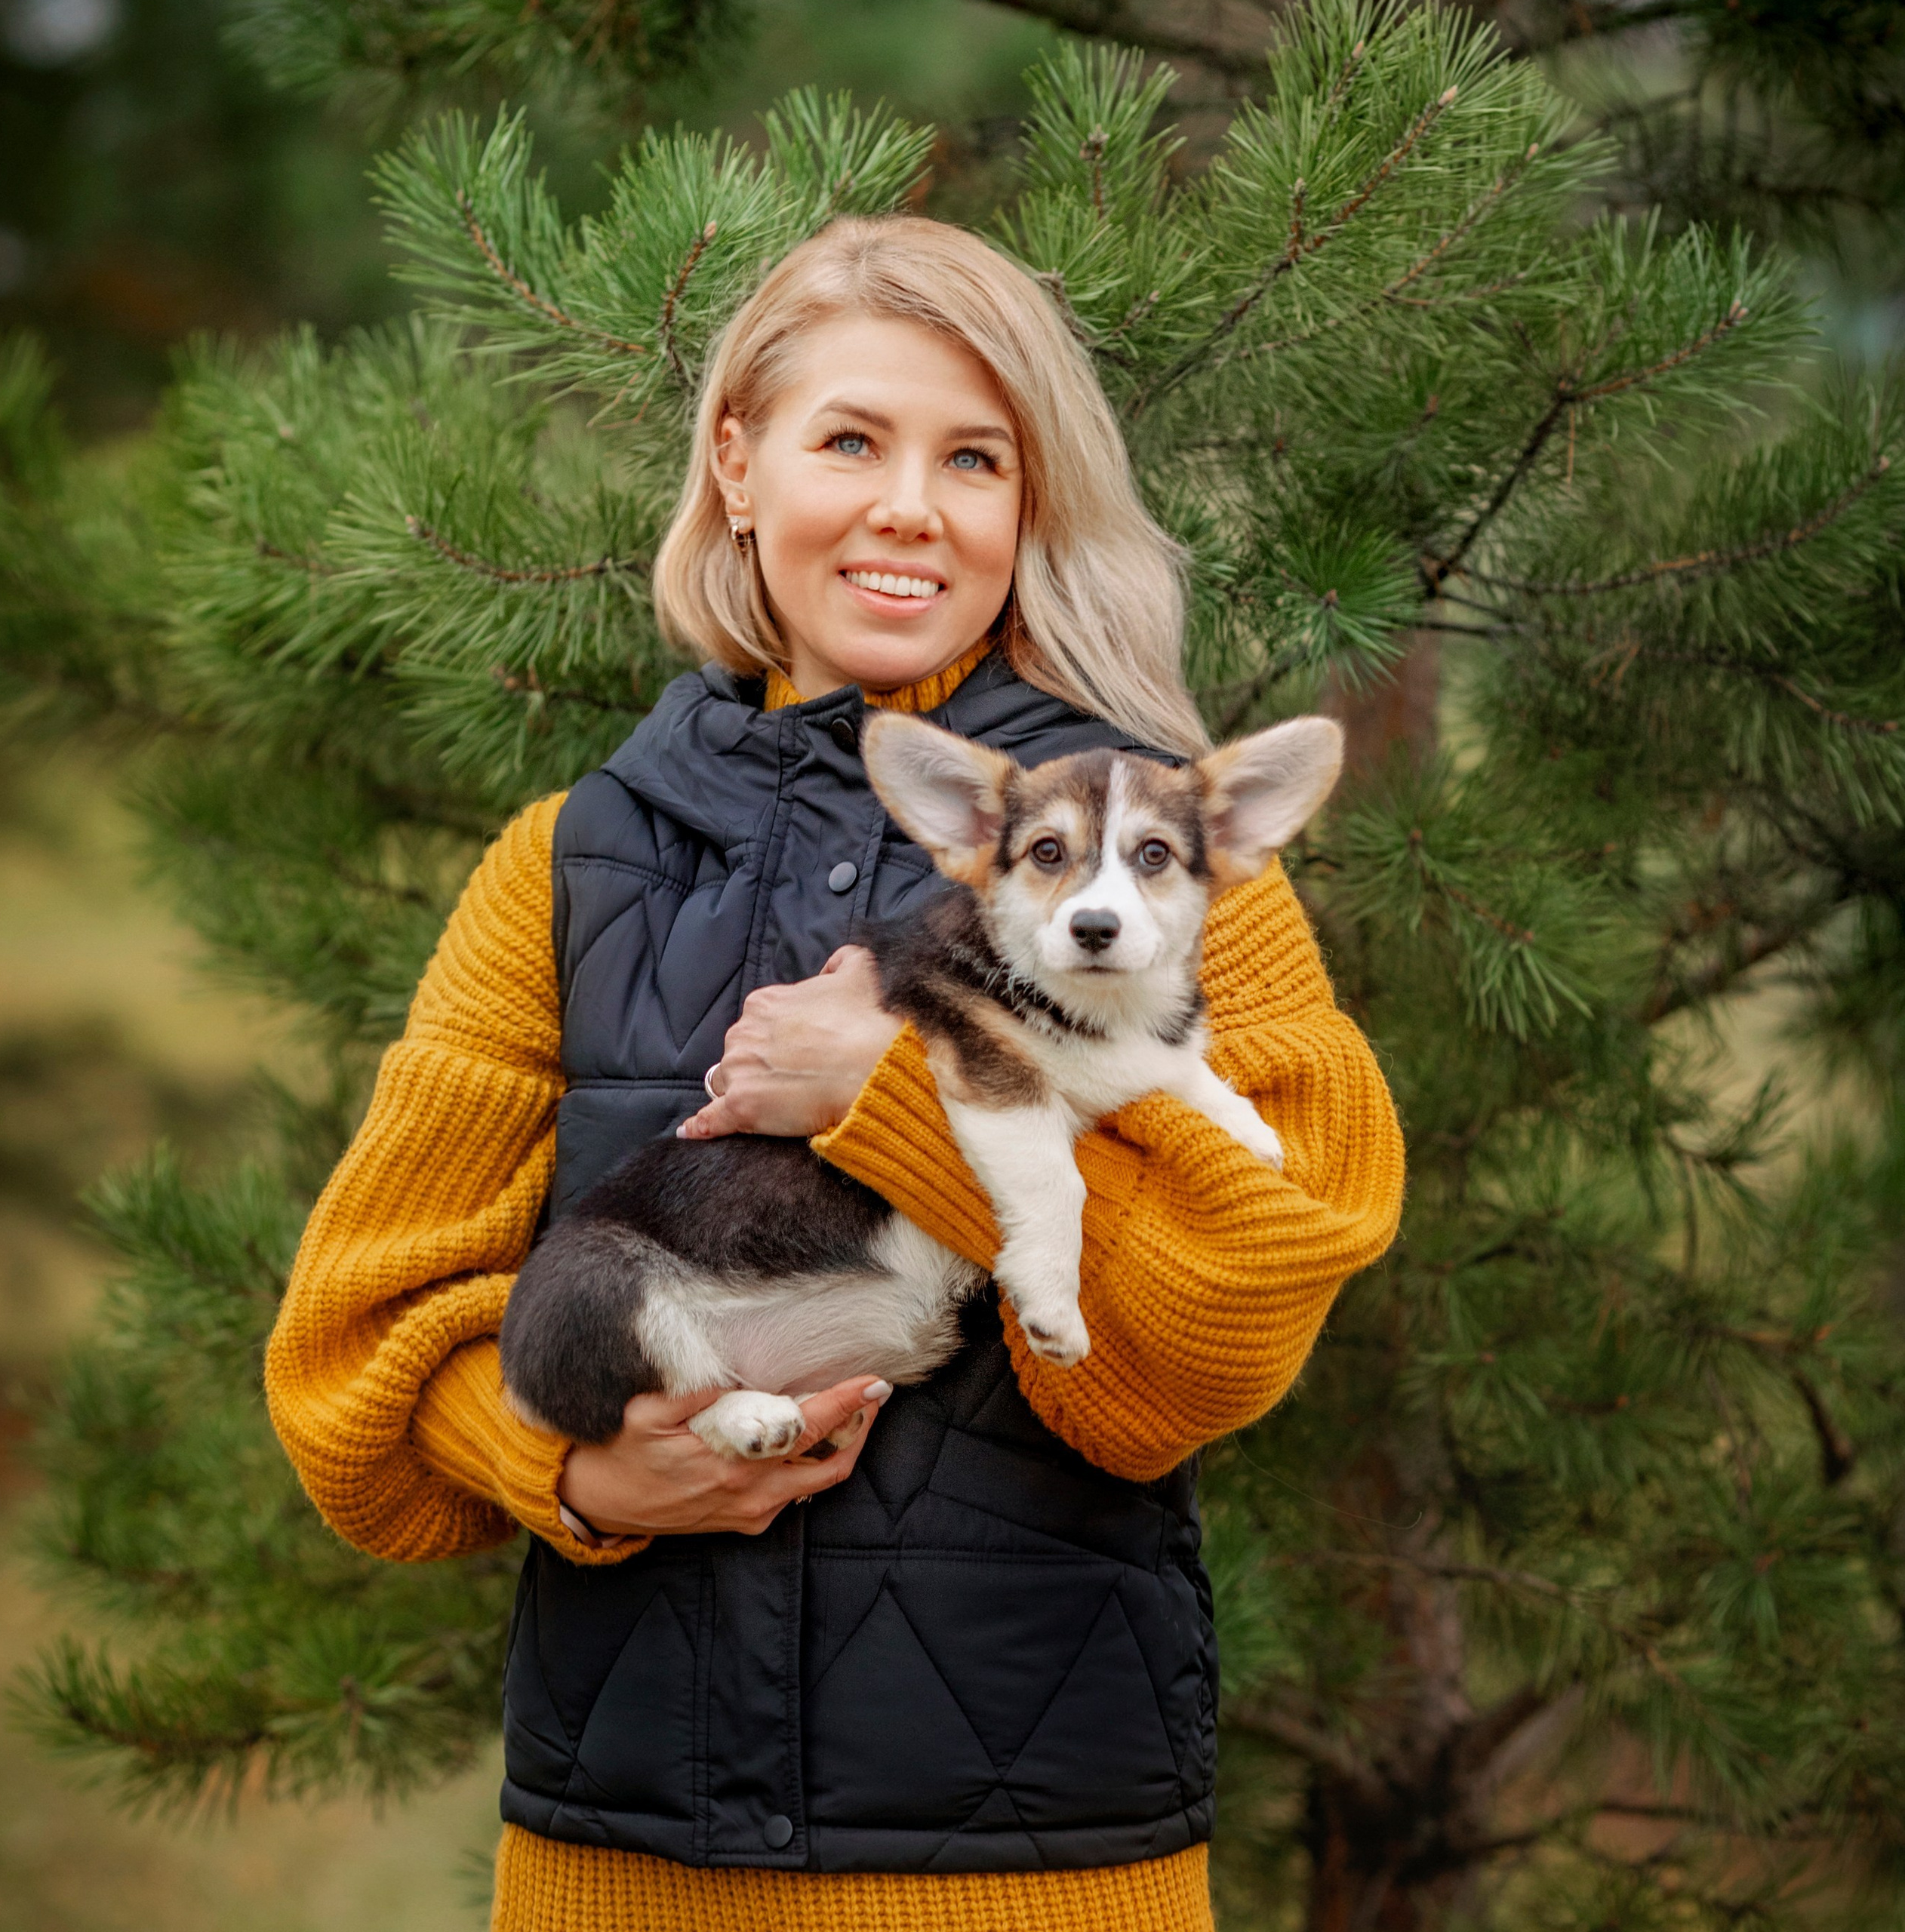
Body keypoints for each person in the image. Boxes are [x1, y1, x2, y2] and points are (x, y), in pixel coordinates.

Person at [265, 214, 1405, 1932]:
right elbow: (346, 1376)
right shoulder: (567, 863)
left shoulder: (1155, 874)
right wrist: (568, 1468)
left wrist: (899, 1101)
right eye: (849, 440)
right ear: (736, 462)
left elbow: (1200, 1353)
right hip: (619, 1873)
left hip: (1035, 1876)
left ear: (1032, 504)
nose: (908, 506)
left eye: (974, 457)